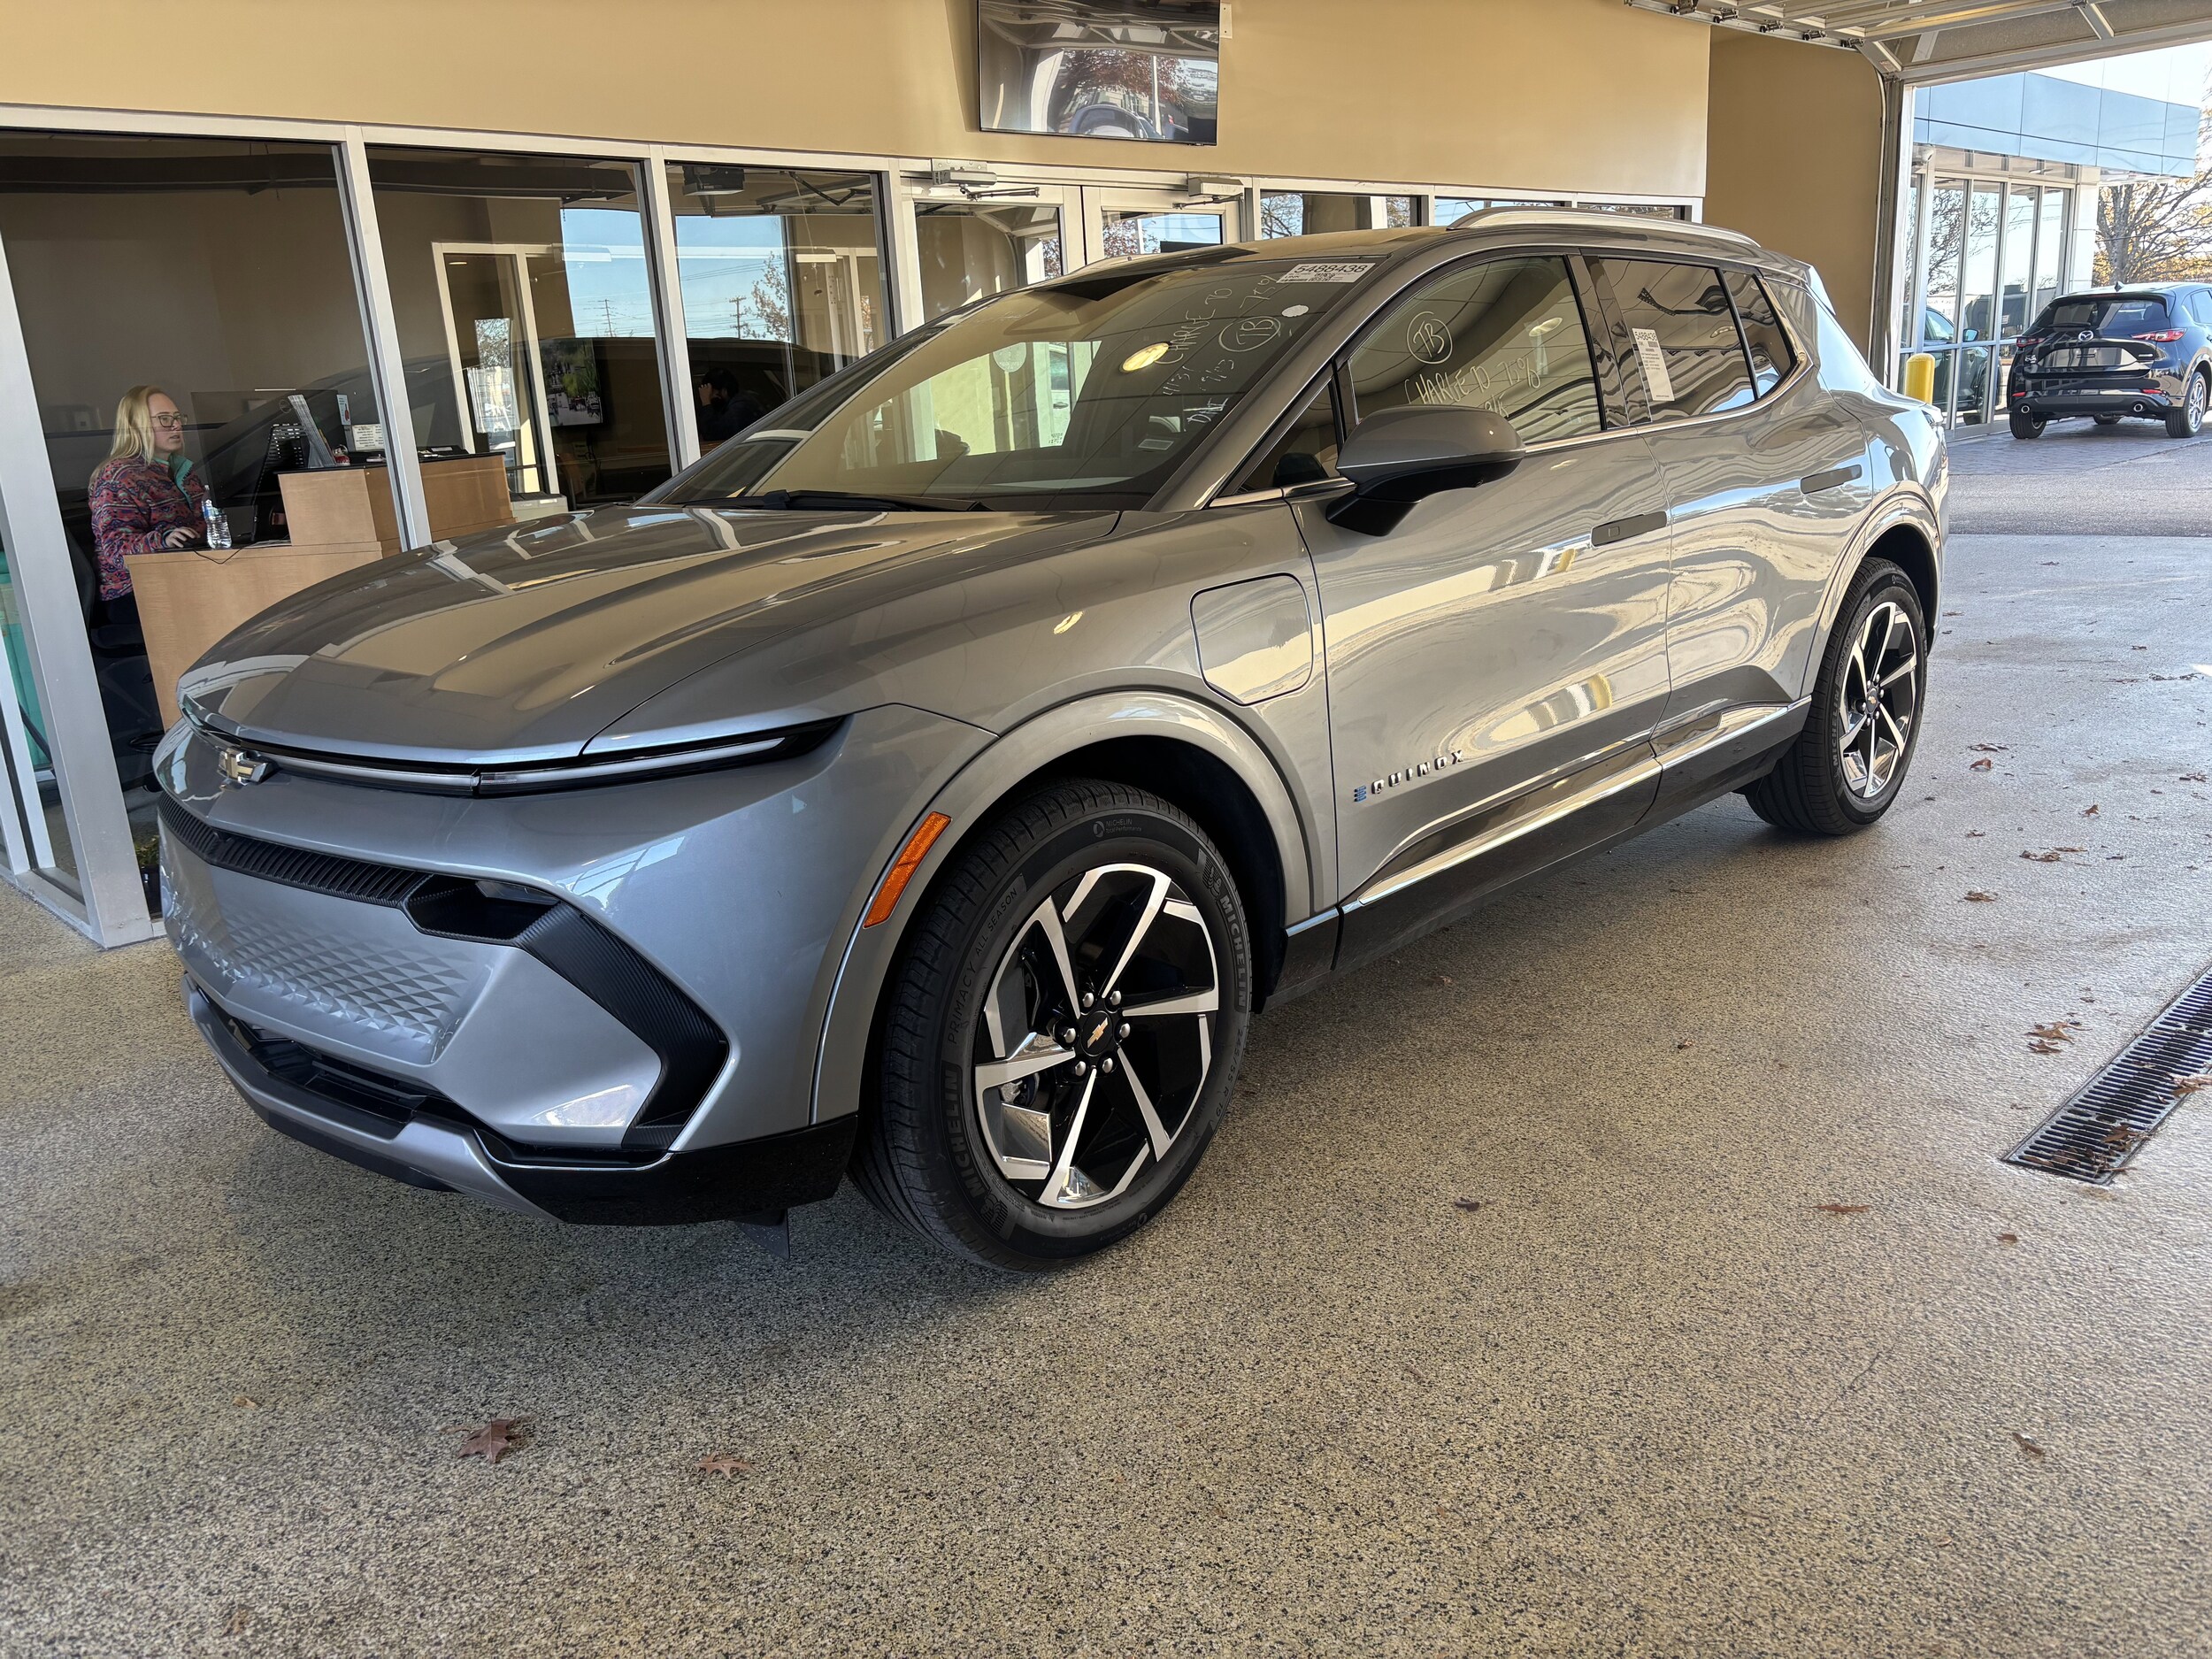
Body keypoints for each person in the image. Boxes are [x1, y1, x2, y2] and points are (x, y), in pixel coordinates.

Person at [87, 384, 207, 601]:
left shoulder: (182, 470)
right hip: (134, 592)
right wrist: (163, 540)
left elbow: (201, 527)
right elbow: (116, 550)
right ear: (136, 426)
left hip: (186, 576)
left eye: (178, 417)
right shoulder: (119, 476)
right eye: (164, 419)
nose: (176, 426)